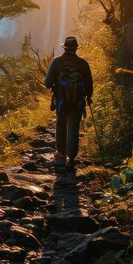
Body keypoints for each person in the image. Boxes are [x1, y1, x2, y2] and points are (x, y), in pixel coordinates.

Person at [45, 36, 93, 169]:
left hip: (61, 101)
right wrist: (88, 97)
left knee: (61, 125)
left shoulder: (57, 62)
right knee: (73, 128)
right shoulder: (83, 64)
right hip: (77, 101)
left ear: (65, 48)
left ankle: (60, 154)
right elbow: (89, 84)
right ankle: (71, 159)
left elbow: (47, 84)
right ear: (76, 48)